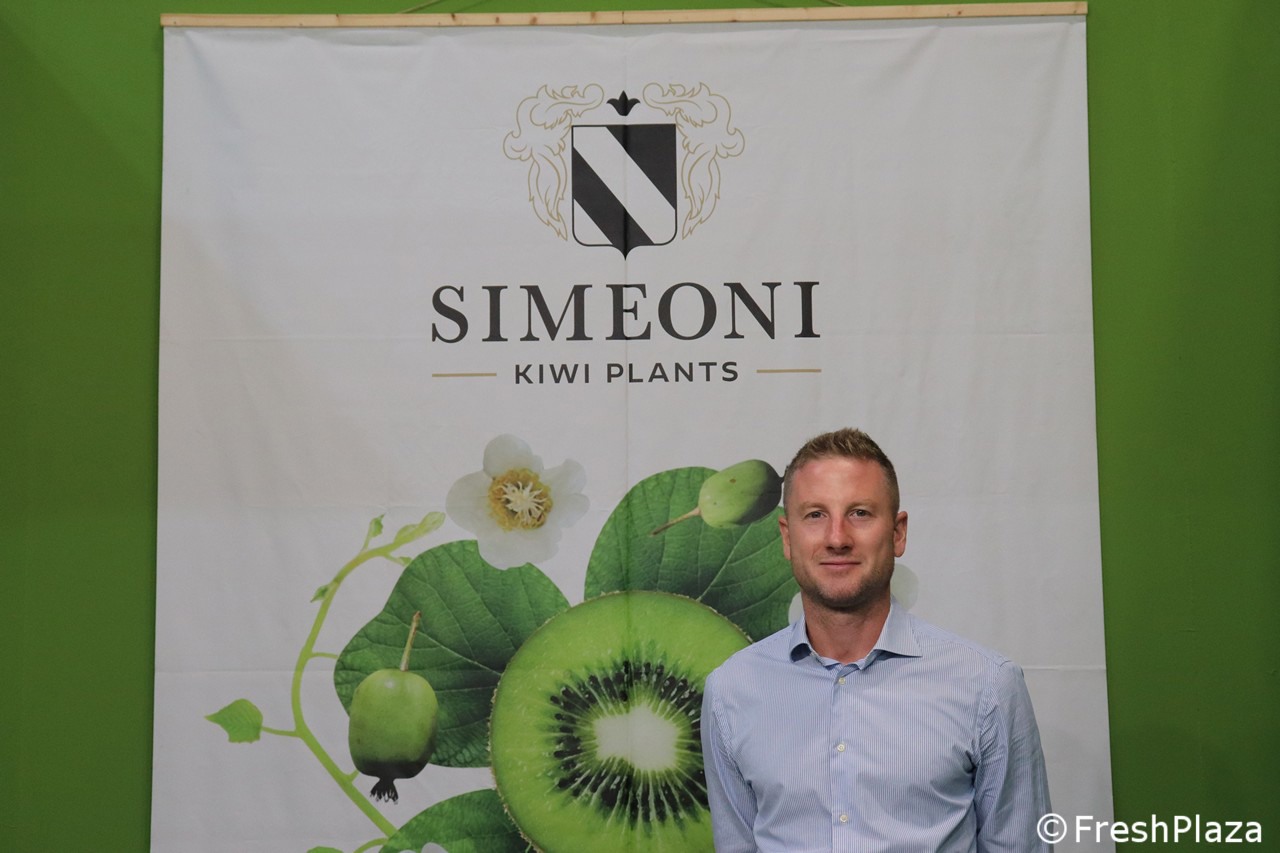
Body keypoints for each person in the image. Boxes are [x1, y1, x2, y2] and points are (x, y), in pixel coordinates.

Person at [701, 428, 1051, 852]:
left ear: (898, 533)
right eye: (815, 515)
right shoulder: (731, 691)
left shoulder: (987, 686)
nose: (837, 538)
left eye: (860, 513)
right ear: (787, 538)